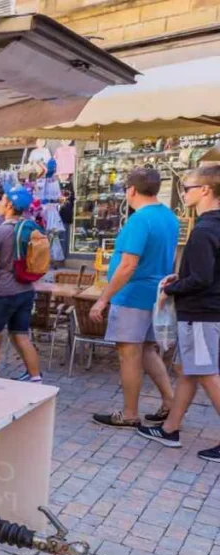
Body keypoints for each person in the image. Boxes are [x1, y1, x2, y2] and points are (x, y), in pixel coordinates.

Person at [137, 166, 220, 459]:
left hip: (201, 312)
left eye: (187, 188)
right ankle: (170, 428)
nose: (183, 193)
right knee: (189, 372)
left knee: (207, 373)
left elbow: (201, 278)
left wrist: (171, 289)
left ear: (205, 190)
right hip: (207, 311)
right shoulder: (213, 227)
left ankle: (171, 428)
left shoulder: (205, 230)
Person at [91, 168, 178, 428]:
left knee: (129, 353)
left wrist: (103, 298)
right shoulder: (169, 217)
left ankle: (129, 413)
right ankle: (170, 401)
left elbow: (128, 265)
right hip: (156, 294)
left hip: (132, 295)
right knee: (147, 350)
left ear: (130, 190)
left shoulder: (139, 220)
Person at [0, 188, 42, 380]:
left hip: (2, 291)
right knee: (20, 334)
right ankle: (35, 377)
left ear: (8, 205)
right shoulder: (33, 228)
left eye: (3, 200)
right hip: (26, 289)